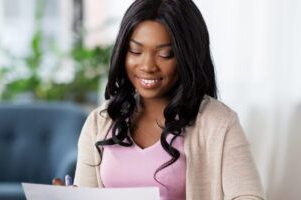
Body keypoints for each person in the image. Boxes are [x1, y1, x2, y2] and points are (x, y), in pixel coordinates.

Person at [53, 0, 265, 199]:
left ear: (187, 56)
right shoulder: (100, 122)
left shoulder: (219, 122)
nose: (147, 66)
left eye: (164, 54)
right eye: (135, 51)